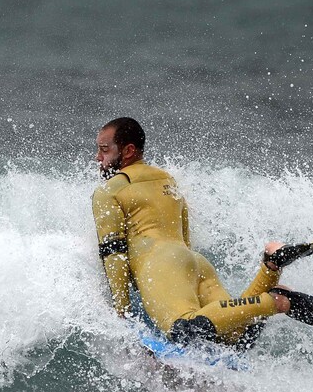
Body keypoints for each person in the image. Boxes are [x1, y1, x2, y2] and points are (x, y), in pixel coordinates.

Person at [91, 117, 294, 350]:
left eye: (104, 150)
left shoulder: (109, 191)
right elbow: (184, 233)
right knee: (237, 337)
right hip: (194, 262)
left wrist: (121, 312)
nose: (98, 157)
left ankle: (273, 301)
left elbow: (113, 255)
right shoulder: (167, 179)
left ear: (128, 150)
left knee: (183, 328)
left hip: (159, 265)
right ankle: (270, 268)